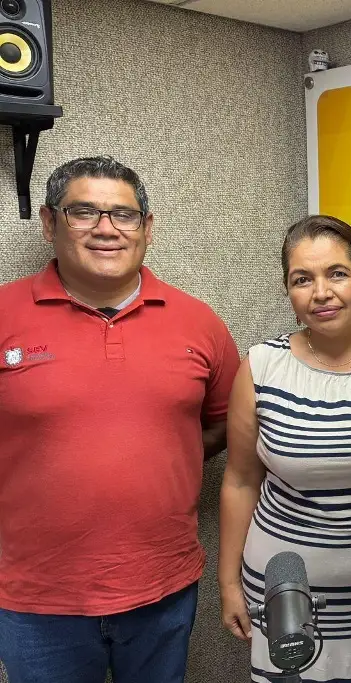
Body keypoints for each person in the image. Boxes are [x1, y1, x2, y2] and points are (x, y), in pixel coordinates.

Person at [0, 156, 240, 683]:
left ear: (146, 228)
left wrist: (164, 452)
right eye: (84, 212)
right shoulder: (4, 313)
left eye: (124, 215)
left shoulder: (198, 322)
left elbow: (229, 423)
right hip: (36, 600)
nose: (106, 229)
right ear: (50, 223)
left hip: (162, 589)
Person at [219, 215, 351, 683]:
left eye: (337, 273)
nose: (321, 292)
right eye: (302, 279)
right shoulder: (261, 366)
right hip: (284, 595)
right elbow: (240, 480)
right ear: (288, 291)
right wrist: (228, 582)